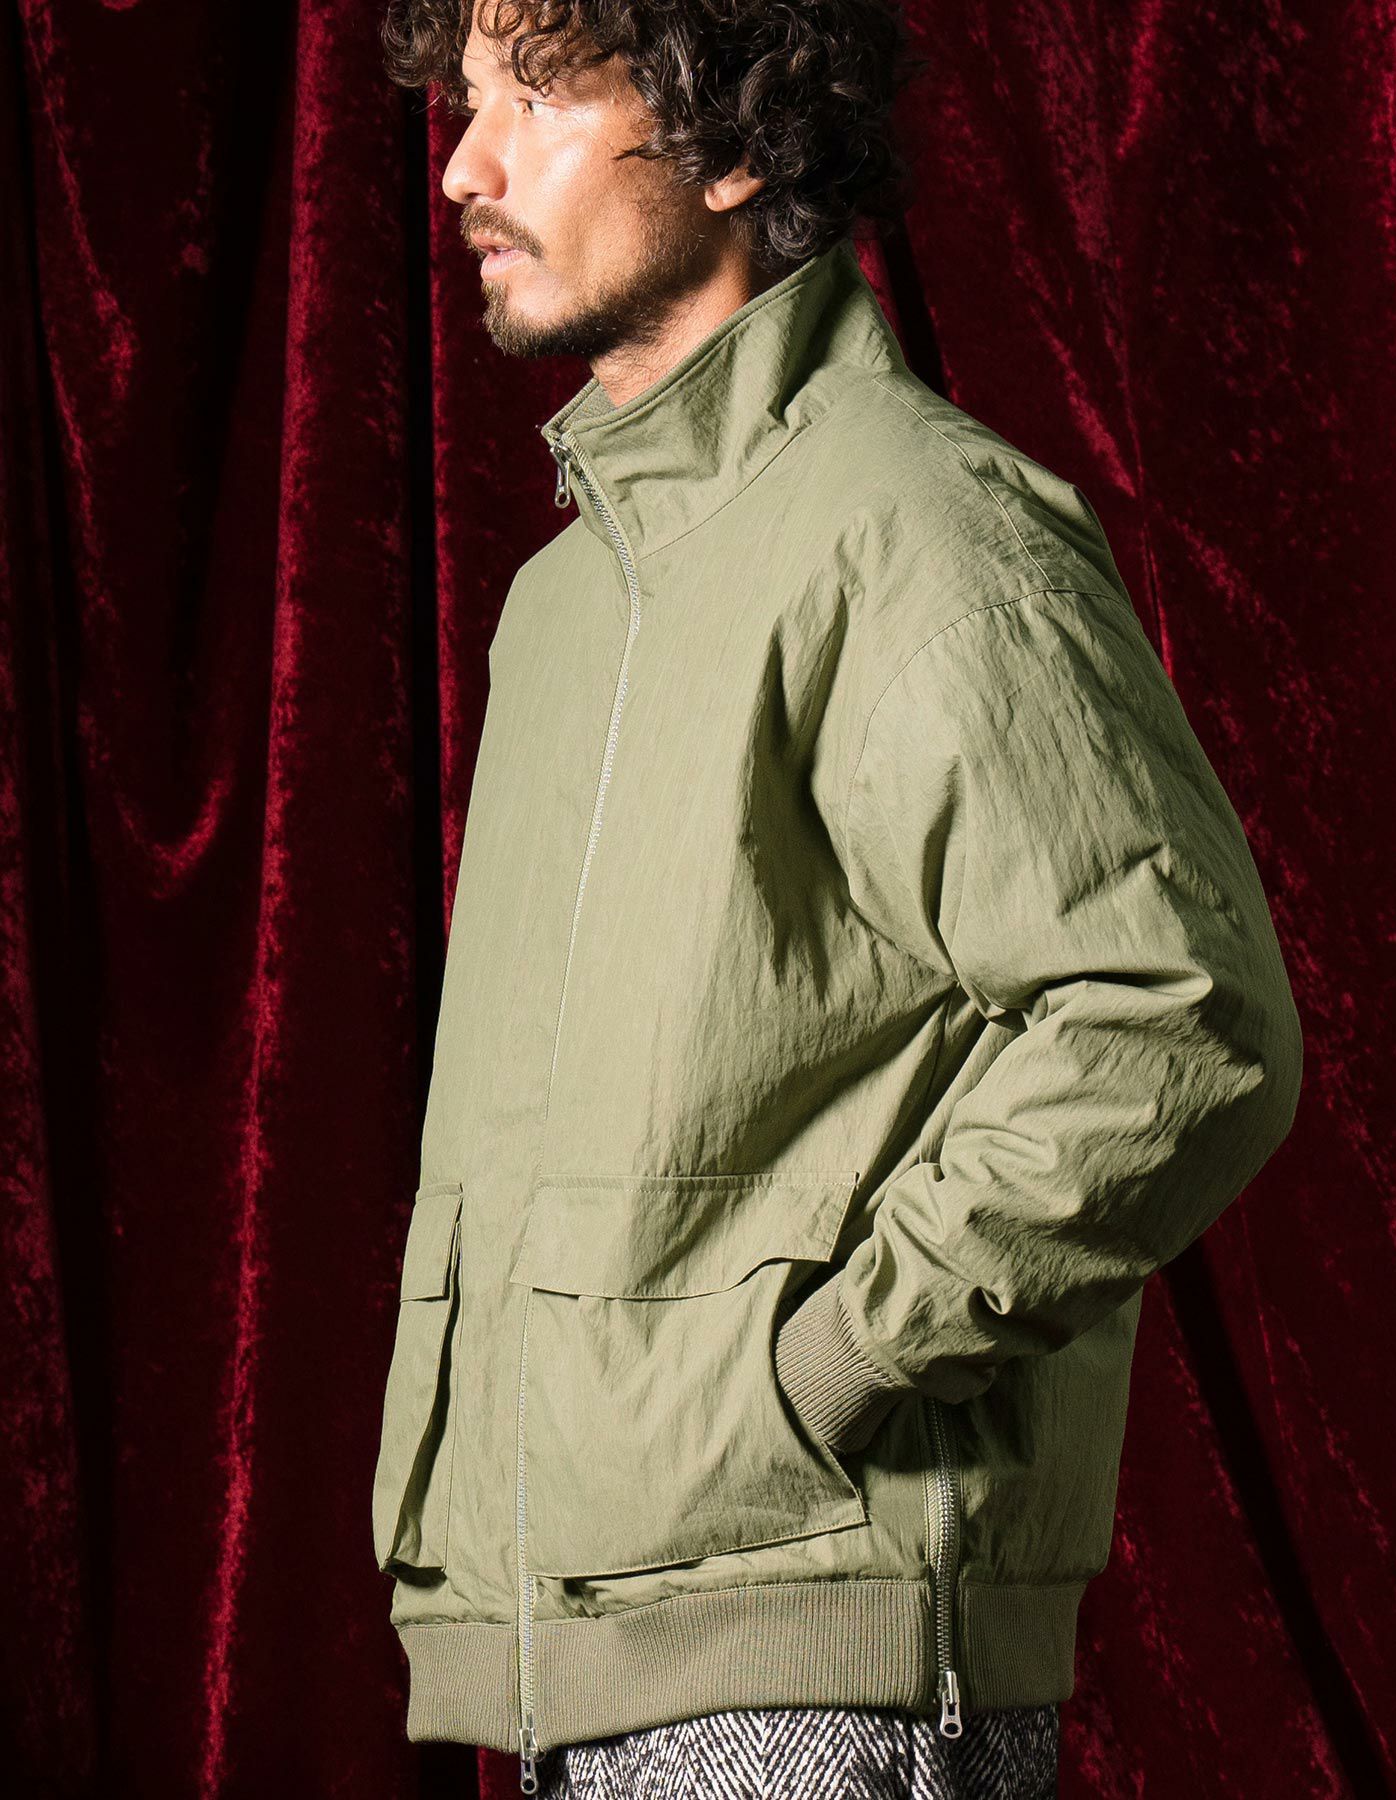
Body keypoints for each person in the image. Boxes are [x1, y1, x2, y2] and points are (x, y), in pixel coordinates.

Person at [369, 4, 1305, 1797]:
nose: (465, 168)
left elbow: (1179, 1016)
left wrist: (833, 1368)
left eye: (538, 94)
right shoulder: (560, 608)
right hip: (581, 1660)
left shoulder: (924, 531)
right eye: (463, 103)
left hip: (813, 1671)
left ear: (735, 140)